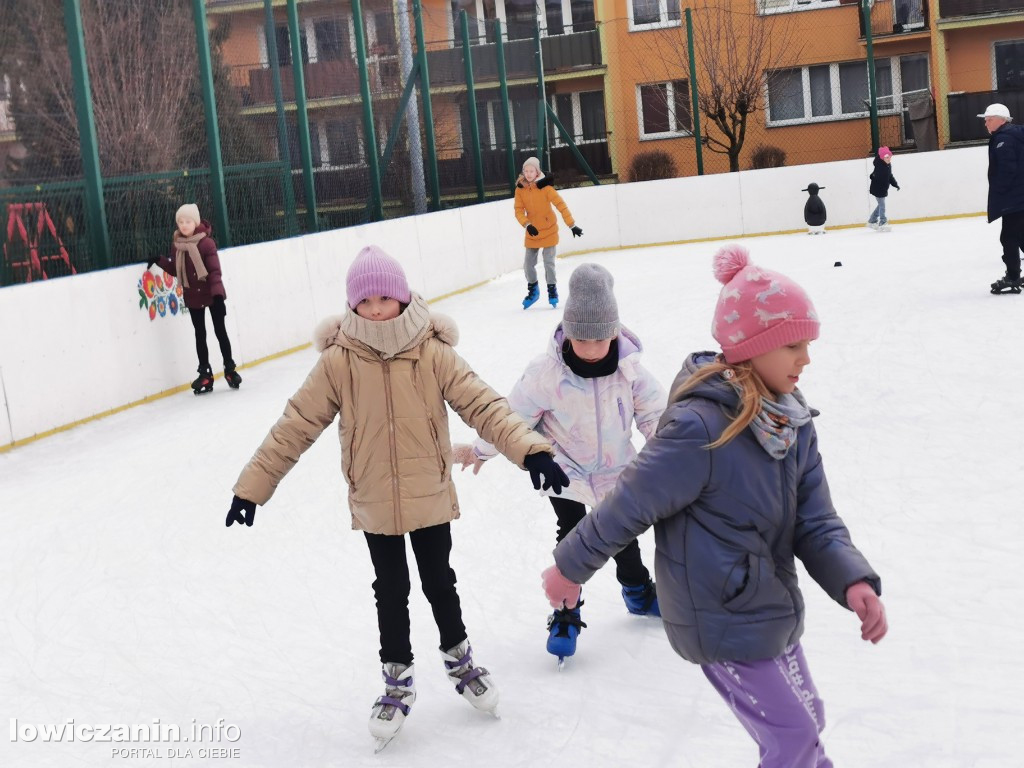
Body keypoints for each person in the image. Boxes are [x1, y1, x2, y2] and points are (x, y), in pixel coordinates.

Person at [542, 245, 887, 768]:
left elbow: (815, 520)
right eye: (792, 344)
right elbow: (630, 502)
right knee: (792, 735)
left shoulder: (792, 423)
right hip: (719, 616)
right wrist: (570, 568)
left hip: (770, 606)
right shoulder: (700, 428)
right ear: (752, 346)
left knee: (807, 718)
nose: (806, 359)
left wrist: (852, 580)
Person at [225, 245, 569, 750]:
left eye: (387, 296)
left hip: (429, 493)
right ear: (353, 305)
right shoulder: (338, 362)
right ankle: (397, 680)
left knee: (439, 581)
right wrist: (252, 488)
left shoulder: (432, 352)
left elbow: (483, 404)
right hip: (374, 500)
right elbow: (294, 426)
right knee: (390, 590)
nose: (378, 307)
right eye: (366, 300)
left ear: (404, 297)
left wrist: (531, 451)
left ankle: (460, 660)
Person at [454, 264, 666, 663]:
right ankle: (565, 612)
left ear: (615, 333)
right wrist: (481, 450)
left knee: (620, 535)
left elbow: (655, 415)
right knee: (571, 538)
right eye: (581, 338)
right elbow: (512, 418)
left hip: (617, 469)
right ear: (568, 332)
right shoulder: (546, 373)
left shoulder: (630, 369)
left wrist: (667, 448)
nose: (590, 348)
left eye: (600, 339)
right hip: (563, 470)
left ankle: (637, 591)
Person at [148, 204, 241, 393]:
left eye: (188, 221)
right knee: (200, 334)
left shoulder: (207, 244)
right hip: (192, 295)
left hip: (212, 293)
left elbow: (215, 271)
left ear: (195, 222)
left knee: (219, 331)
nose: (184, 225)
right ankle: (205, 372)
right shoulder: (177, 245)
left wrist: (218, 294)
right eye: (181, 222)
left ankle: (229, 368)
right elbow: (176, 270)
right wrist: (160, 261)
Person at [514, 156, 583, 310]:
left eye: (531, 171)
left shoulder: (546, 188)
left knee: (549, 263)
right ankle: (533, 290)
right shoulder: (520, 189)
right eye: (526, 171)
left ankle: (552, 290)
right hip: (533, 232)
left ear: (537, 172)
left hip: (549, 230)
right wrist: (527, 224)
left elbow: (560, 205)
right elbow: (518, 210)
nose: (529, 174)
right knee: (528, 265)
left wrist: (572, 225)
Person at [979, 103, 1024, 295]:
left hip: (1015, 199)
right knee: (1019, 236)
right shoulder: (1015, 135)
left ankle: (1013, 277)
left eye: (989, 120)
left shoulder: (1004, 139)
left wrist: (1000, 192)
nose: (986, 124)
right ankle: (1013, 275)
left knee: (1009, 237)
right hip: (1018, 197)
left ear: (1001, 120)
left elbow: (1007, 170)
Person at [867, 146, 899, 232]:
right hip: (878, 189)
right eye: (886, 157)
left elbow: (890, 176)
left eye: (889, 157)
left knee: (880, 205)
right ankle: (883, 222)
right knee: (882, 206)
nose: (889, 159)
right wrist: (873, 176)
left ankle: (872, 220)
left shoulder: (887, 165)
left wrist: (895, 184)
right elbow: (874, 176)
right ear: (882, 158)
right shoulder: (880, 167)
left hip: (883, 189)